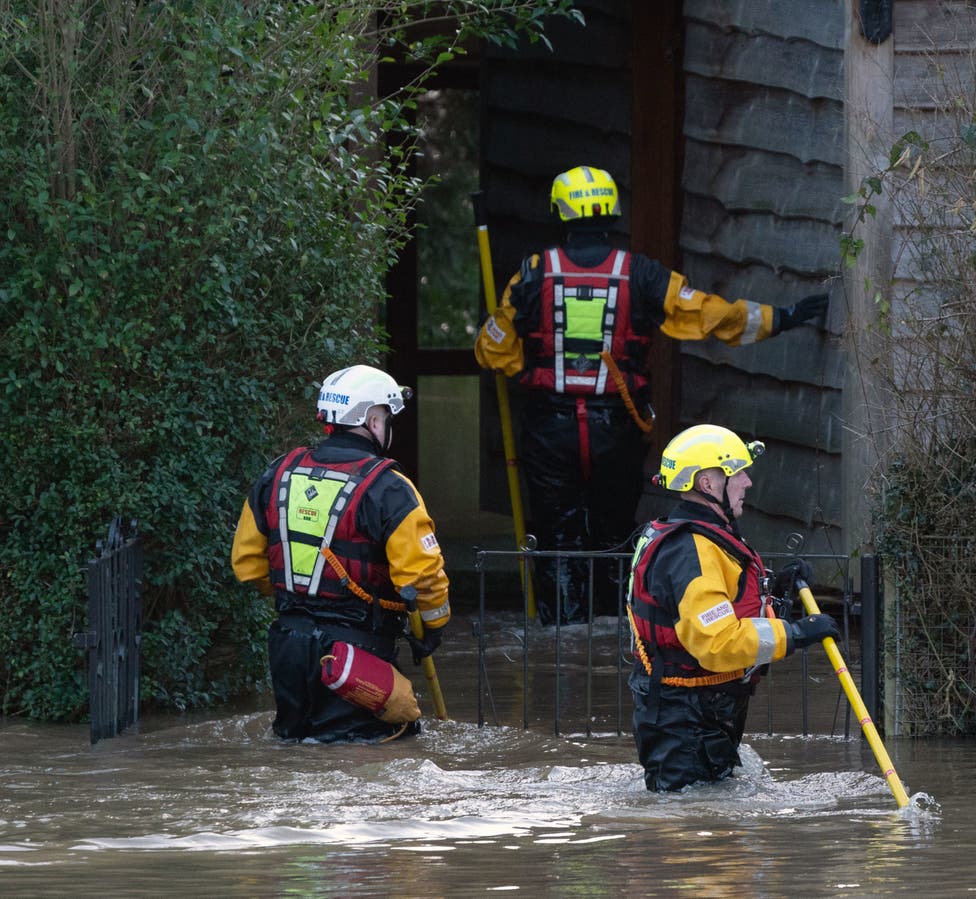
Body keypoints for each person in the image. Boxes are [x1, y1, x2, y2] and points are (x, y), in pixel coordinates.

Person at [474, 164, 828, 625]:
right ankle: (613, 630)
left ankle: (560, 637)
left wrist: (530, 367)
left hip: (550, 429)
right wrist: (785, 316)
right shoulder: (640, 274)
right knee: (615, 531)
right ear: (612, 211)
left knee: (557, 536)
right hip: (616, 429)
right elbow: (709, 315)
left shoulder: (533, 275)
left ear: (560, 212)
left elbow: (491, 350)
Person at [231, 364, 450, 742]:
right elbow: (421, 576)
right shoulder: (390, 488)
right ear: (372, 420)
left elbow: (248, 564)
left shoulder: (277, 473)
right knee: (369, 752)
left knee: (293, 747)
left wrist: (299, 604)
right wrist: (432, 628)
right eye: (386, 416)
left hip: (287, 648)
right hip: (355, 655)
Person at [625, 424, 840, 792]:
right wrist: (796, 634)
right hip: (685, 718)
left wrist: (778, 592)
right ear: (708, 483)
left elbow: (726, 608)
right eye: (737, 472)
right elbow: (718, 641)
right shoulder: (690, 549)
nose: (748, 482)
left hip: (696, 712)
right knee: (690, 835)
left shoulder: (694, 535)